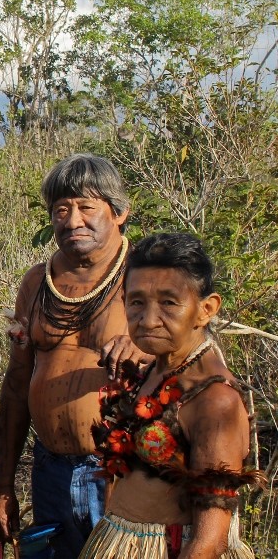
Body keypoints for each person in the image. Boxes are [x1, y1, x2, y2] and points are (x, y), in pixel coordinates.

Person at [0, 153, 148, 559]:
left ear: (120, 212)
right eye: (61, 209)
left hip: (126, 472)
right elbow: (16, 386)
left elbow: (196, 361)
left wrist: (145, 351)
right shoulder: (37, 284)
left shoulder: (149, 277)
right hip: (51, 470)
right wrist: (3, 485)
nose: (72, 220)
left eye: (86, 207)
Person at [80, 232, 262, 558]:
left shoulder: (214, 400)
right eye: (136, 302)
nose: (149, 320)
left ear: (206, 309)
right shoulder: (154, 372)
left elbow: (210, 540)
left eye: (169, 303)